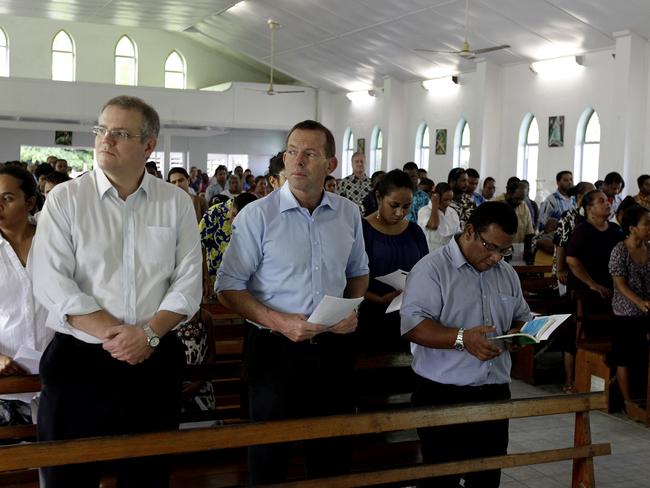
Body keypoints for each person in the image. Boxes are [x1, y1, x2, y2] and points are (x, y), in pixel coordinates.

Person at [32, 95, 202, 487]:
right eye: (102, 130)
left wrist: (147, 334)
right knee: (68, 477)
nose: (106, 140)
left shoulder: (175, 203)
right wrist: (120, 336)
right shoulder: (65, 199)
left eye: (120, 133)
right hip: (80, 361)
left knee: (147, 476)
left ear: (148, 146)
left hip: (153, 360)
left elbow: (188, 281)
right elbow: (52, 281)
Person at [217, 119, 369, 485]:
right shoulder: (258, 215)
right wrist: (278, 321)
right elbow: (228, 287)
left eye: (310, 154)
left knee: (332, 452)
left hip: (333, 348)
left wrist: (352, 308)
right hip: (274, 351)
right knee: (270, 455)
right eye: (292, 152)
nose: (298, 161)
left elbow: (358, 271)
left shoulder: (347, 213)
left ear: (331, 164)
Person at [401, 201, 531, 488]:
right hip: (442, 393)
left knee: (486, 477)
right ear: (470, 231)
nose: (497, 257)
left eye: (504, 250)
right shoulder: (432, 269)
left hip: (494, 392)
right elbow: (413, 327)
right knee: (441, 479)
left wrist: (521, 333)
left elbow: (522, 316)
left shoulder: (506, 274)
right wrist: (462, 339)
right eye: (490, 247)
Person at [0, 166, 53, 426]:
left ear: (30, 202)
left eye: (7, 198)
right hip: (6, 380)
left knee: (59, 460)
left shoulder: (55, 242)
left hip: (57, 377)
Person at [358, 169, 428, 351]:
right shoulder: (362, 230)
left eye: (406, 206)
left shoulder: (415, 232)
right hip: (369, 315)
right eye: (394, 205)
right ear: (379, 197)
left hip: (408, 315)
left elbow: (426, 272)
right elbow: (346, 278)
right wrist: (378, 299)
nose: (399, 212)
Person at [609, 205, 650, 412]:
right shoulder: (620, 250)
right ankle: (627, 402)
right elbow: (620, 284)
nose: (649, 228)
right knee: (624, 356)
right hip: (625, 313)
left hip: (646, 311)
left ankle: (644, 396)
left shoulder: (649, 248)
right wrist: (639, 302)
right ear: (633, 227)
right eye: (646, 224)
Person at [199, 192, 257, 294]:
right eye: (233, 214)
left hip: (243, 281)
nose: (234, 221)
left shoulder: (255, 213)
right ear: (232, 204)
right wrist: (205, 278)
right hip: (213, 278)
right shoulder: (213, 213)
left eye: (239, 218)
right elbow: (200, 245)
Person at [418, 182, 461, 252]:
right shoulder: (424, 211)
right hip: (431, 253)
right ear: (436, 196)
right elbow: (433, 225)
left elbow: (458, 233)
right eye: (445, 200)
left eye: (450, 199)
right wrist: (434, 204)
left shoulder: (452, 212)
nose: (448, 203)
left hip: (449, 252)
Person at [495, 180, 534, 244]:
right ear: (509, 193)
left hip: (518, 249)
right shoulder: (495, 203)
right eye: (516, 199)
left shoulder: (523, 206)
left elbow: (529, 232)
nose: (519, 202)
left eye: (522, 199)